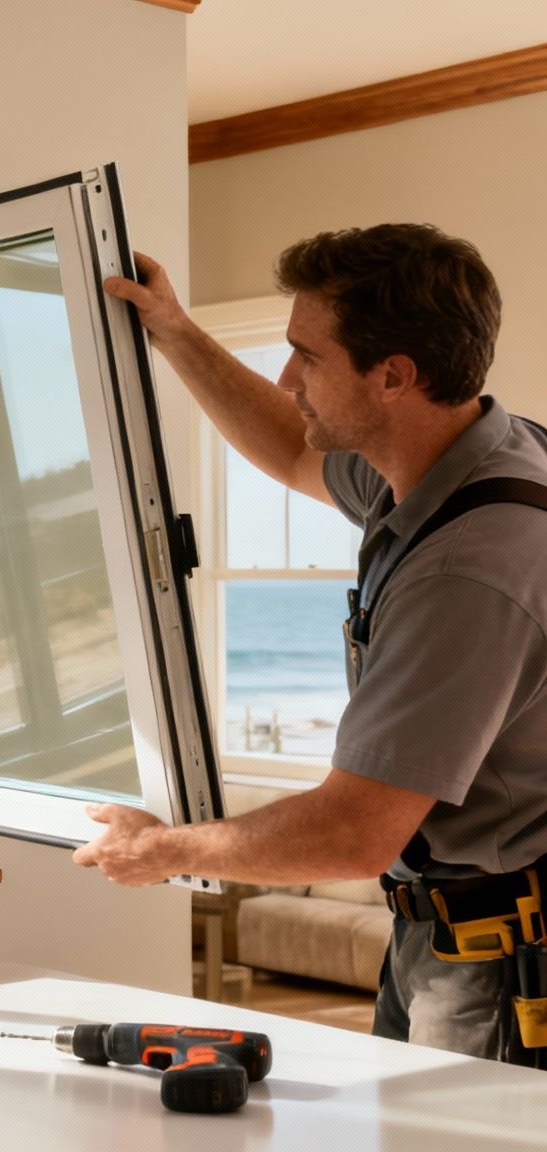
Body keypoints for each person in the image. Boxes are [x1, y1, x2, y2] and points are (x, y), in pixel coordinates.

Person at [76, 224, 547, 1066]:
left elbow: (354, 831)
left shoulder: (467, 569)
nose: (288, 377)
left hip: (500, 967)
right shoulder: (461, 459)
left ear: (394, 375)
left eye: (306, 356)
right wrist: (175, 329)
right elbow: (294, 447)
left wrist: (160, 851)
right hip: (446, 936)